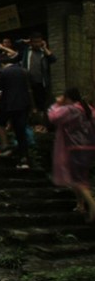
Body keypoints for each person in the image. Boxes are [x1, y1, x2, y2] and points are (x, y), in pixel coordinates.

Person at [48, 88, 95, 222]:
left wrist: (56, 104)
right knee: (81, 175)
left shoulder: (71, 109)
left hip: (75, 147)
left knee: (77, 179)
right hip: (89, 146)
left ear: (68, 98)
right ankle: (79, 205)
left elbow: (53, 117)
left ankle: (92, 205)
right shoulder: (87, 108)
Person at [0, 58, 33, 169]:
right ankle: (24, 158)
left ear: (3, 64)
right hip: (23, 104)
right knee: (21, 132)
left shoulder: (3, 72)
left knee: (0, 123)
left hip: (8, 105)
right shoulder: (24, 71)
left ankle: (5, 146)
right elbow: (29, 89)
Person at [20, 32, 57, 116]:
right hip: (27, 81)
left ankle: (42, 123)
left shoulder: (43, 52)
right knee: (29, 103)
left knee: (42, 103)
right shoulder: (26, 51)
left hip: (41, 82)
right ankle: (33, 121)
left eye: (39, 42)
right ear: (31, 42)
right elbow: (17, 42)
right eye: (35, 42)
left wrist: (45, 48)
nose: (37, 44)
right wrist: (26, 41)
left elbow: (53, 59)